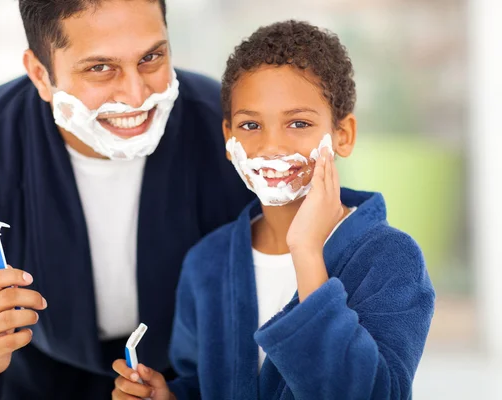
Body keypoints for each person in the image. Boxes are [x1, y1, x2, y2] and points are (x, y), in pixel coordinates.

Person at [0, 0, 254, 399]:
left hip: (198, 377)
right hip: (32, 382)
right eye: (100, 67)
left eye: (151, 57)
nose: (135, 95)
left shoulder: (233, 135)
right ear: (40, 74)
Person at [112, 20, 436, 399]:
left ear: (343, 135)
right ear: (228, 137)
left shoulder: (390, 259)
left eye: (298, 122)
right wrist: (169, 396)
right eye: (250, 125)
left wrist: (307, 251)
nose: (272, 145)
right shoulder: (207, 263)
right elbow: (204, 384)